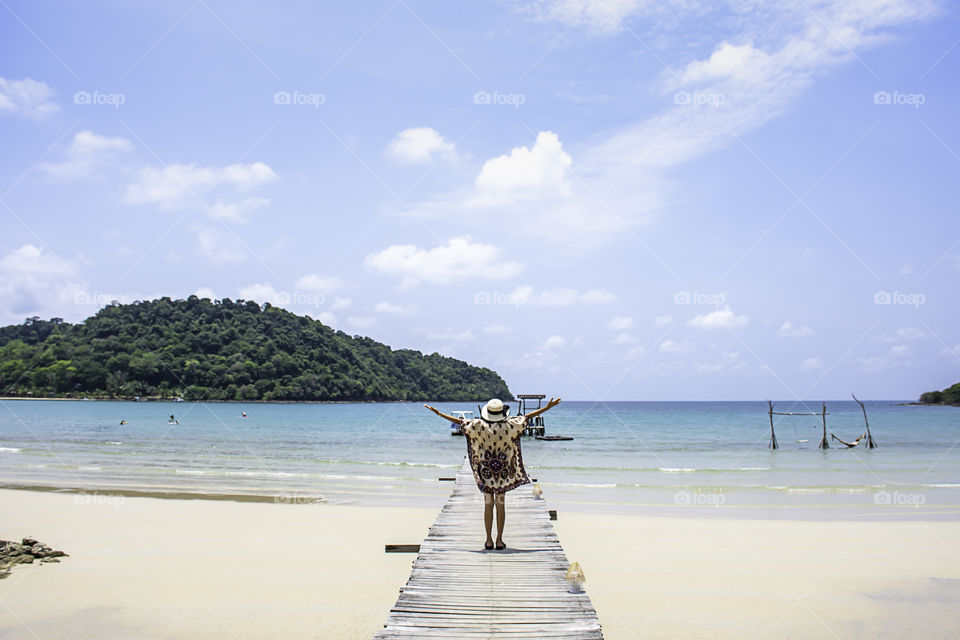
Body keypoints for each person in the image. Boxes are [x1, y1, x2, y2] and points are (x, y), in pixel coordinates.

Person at [424, 397, 561, 551]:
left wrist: (439, 414)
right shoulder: (510, 425)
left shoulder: (478, 425)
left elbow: (460, 422)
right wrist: (547, 408)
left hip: (486, 470)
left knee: (488, 504)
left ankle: (488, 540)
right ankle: (500, 540)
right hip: (502, 469)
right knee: (501, 504)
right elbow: (528, 417)